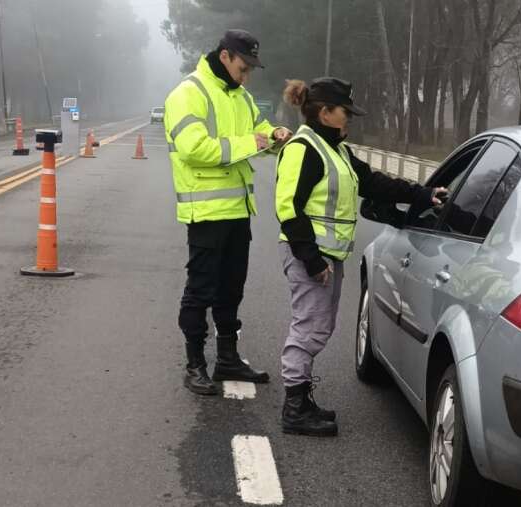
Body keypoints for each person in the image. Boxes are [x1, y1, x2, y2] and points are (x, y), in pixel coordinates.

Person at [275, 77, 445, 436]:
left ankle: (301, 399)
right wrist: (312, 259)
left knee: (319, 326)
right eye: (345, 112)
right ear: (325, 112)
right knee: (309, 327)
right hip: (312, 255)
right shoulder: (303, 148)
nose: (349, 118)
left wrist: (423, 194)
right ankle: (294, 408)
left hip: (327, 255)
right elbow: (288, 208)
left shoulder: (336, 150)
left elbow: (374, 183)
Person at [164, 29, 293, 395]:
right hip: (205, 213)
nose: (247, 74)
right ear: (225, 56)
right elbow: (193, 148)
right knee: (200, 291)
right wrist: (251, 143)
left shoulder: (240, 97)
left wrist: (277, 134)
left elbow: (261, 130)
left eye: (251, 68)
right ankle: (194, 364)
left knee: (231, 290)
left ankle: (227, 359)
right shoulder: (189, 93)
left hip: (238, 211)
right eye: (243, 65)